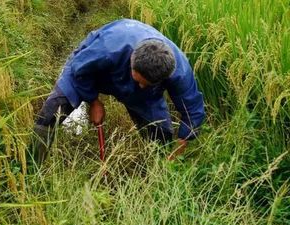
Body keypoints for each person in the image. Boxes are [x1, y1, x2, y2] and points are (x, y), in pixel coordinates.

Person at [27, 18, 205, 172]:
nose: (141, 85)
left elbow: (193, 111)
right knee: (50, 113)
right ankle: (29, 170)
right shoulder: (107, 49)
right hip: (95, 70)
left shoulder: (178, 71)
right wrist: (94, 101)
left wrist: (180, 147)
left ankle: (161, 174)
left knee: (160, 136)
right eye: (139, 80)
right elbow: (79, 70)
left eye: (147, 83)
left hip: (145, 97)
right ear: (132, 63)